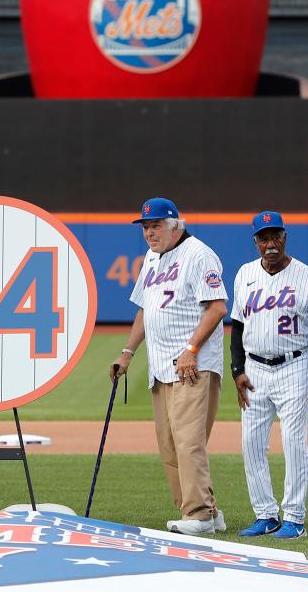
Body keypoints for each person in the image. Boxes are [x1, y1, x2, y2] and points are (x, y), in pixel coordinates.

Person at [111, 197, 228, 535]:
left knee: (189, 440)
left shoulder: (199, 255)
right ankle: (206, 511)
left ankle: (199, 516)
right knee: (170, 444)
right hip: (160, 366)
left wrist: (191, 349)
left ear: (176, 224)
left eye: (156, 225)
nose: (150, 232)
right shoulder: (151, 258)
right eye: (146, 227)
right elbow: (146, 310)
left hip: (192, 365)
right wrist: (127, 353)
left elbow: (217, 308)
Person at [230, 211, 308, 540]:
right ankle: (265, 515)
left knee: (293, 443)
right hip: (255, 370)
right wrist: (237, 370)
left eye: (276, 236)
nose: (270, 243)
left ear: (285, 237)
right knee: (251, 444)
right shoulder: (245, 274)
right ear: (256, 242)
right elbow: (237, 326)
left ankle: (294, 518)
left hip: (294, 367)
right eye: (264, 238)